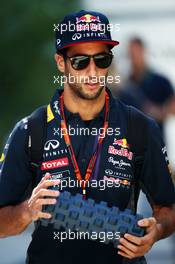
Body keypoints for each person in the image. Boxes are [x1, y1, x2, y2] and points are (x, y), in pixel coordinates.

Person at [0, 10, 175, 264]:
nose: (93, 71)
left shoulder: (139, 127)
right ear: (61, 62)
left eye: (101, 60)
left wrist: (156, 230)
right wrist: (27, 211)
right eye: (81, 62)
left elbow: (167, 208)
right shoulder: (31, 131)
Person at [117, 37, 175, 134]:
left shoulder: (160, 81)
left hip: (155, 143)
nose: (134, 57)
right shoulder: (124, 85)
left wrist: (160, 112)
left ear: (144, 51)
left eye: (136, 53)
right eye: (131, 54)